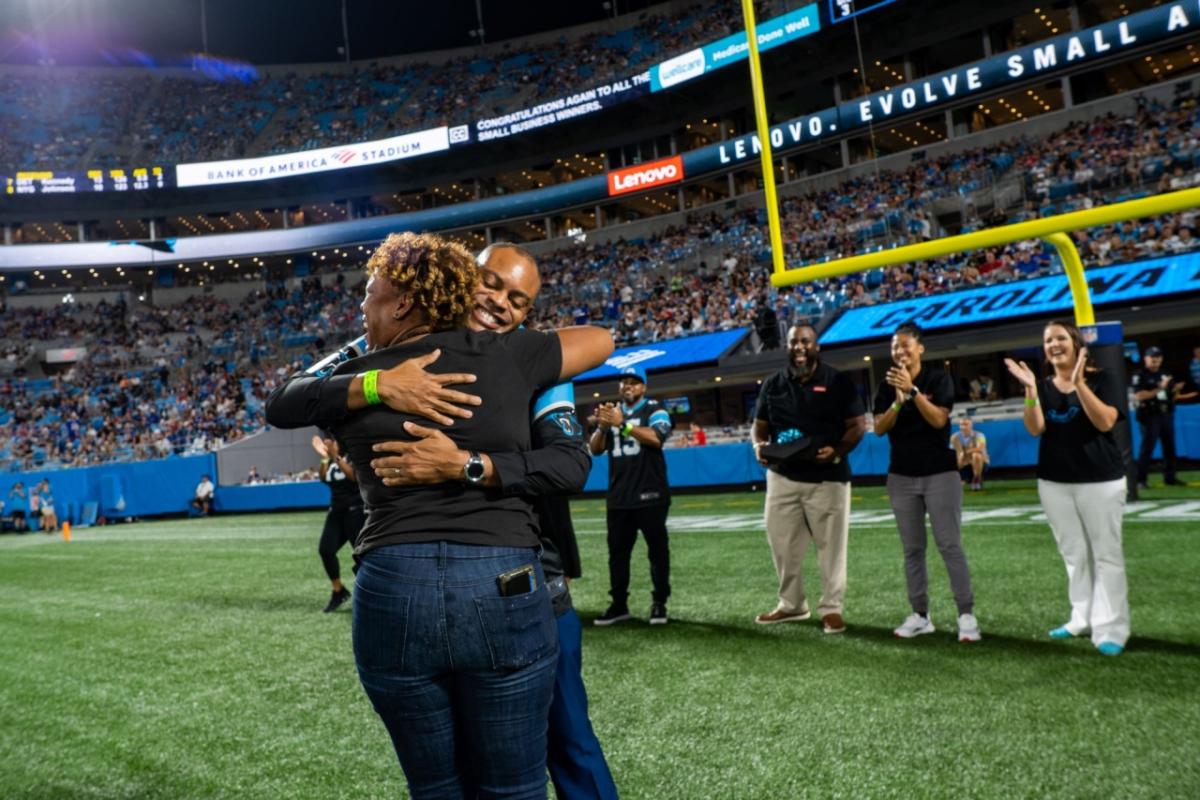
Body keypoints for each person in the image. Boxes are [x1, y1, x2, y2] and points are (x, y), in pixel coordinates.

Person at [264, 232, 613, 799]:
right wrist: (381, 382)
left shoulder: (533, 362)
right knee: (512, 781)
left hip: (524, 580)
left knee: (563, 745)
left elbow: (571, 464)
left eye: (518, 300)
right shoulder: (374, 356)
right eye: (491, 283)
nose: (501, 302)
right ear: (457, 281)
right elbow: (285, 398)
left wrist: (467, 464)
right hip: (505, 580)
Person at [1005, 320, 1130, 656]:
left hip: (1101, 479)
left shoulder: (1104, 378)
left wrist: (1078, 385)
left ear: (1075, 343)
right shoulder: (1042, 386)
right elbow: (1035, 428)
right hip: (1055, 482)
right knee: (1073, 555)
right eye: (1048, 341)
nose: (1054, 344)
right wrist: (1031, 391)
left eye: (1060, 338)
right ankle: (1081, 618)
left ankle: (1112, 629)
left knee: (1106, 555)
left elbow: (1105, 421)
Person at [751, 324, 866, 634]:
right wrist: (758, 446)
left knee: (831, 548)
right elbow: (759, 426)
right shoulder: (773, 384)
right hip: (782, 477)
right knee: (782, 546)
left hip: (827, 478)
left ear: (817, 346)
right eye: (793, 342)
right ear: (786, 347)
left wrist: (838, 450)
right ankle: (791, 605)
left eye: (805, 341)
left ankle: (832, 608)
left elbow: (858, 425)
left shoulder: (837, 381)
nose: (799, 346)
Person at [872, 322, 981, 642]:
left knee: (949, 544)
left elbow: (938, 419)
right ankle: (920, 615)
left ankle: (966, 614)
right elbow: (879, 429)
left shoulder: (937, 379)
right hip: (901, 474)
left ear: (920, 348)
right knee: (912, 549)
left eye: (905, 345)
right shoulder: (886, 385)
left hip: (940, 473)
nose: (900, 351)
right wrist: (897, 400)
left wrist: (914, 392)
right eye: (895, 347)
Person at [589, 365, 674, 626]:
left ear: (644, 387)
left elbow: (657, 438)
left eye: (634, 382)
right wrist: (603, 428)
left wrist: (622, 425)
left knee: (657, 552)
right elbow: (595, 450)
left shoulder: (654, 409)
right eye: (624, 382)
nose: (628, 386)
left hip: (651, 493)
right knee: (618, 554)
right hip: (619, 495)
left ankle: (659, 602)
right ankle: (619, 604)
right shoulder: (613, 412)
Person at [314, 435, 363, 613]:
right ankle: (338, 590)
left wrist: (335, 456)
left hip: (355, 511)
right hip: (336, 511)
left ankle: (368, 595)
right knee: (326, 550)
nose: (329, 444)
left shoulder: (353, 455)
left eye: (332, 441)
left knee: (362, 558)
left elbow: (354, 477)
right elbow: (322, 477)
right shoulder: (332, 458)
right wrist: (324, 457)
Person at [1132, 346, 1186, 488]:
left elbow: (1172, 396)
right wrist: (1159, 388)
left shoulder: (1165, 374)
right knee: (1147, 448)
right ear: (1146, 358)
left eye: (1158, 356)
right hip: (1150, 415)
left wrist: (1175, 390)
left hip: (1166, 414)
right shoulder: (1140, 375)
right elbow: (1139, 395)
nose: (1155, 359)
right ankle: (1140, 480)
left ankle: (1170, 478)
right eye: (1152, 356)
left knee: (1170, 448)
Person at [953, 417, 989, 491]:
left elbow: (981, 447)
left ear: (971, 425)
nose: (963, 427)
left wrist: (966, 452)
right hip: (964, 462)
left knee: (976, 455)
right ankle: (960, 478)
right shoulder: (955, 437)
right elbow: (956, 451)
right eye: (961, 424)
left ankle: (977, 479)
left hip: (979, 462)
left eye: (966, 424)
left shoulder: (979, 435)